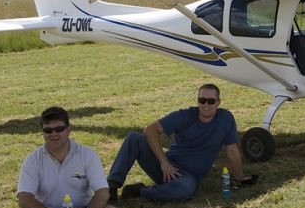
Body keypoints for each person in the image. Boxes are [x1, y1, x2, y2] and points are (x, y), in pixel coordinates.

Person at [107, 83, 257, 201]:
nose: (206, 104)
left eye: (211, 101)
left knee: (185, 189)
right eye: (202, 100)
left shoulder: (225, 119)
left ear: (218, 102)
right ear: (197, 101)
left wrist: (239, 178)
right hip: (166, 168)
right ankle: (111, 187)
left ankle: (141, 191)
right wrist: (164, 162)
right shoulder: (184, 115)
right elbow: (150, 130)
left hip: (188, 177)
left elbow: (232, 150)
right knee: (134, 138)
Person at [15, 107, 120, 208]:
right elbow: (24, 198)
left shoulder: (87, 155)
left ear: (69, 130)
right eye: (48, 130)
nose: (54, 134)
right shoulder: (33, 159)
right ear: (43, 132)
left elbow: (103, 192)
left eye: (59, 129)